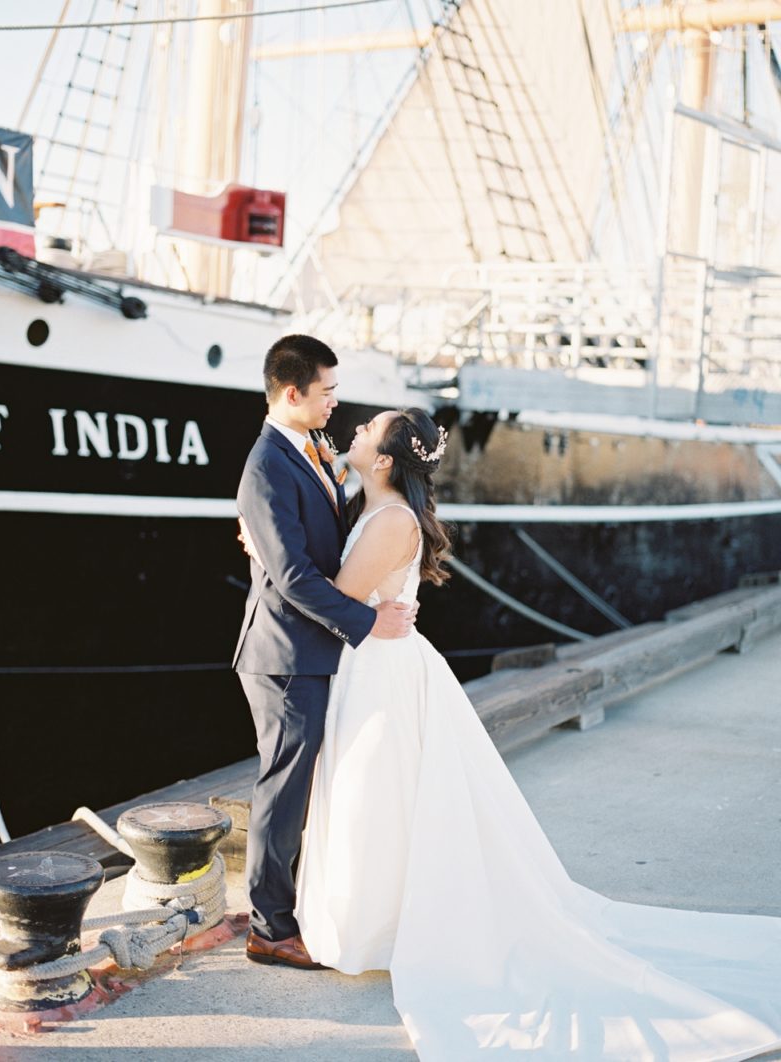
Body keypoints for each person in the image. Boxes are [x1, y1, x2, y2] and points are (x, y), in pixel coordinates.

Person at [295, 406, 781, 1061]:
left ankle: (382, 930)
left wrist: (275, 551)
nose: (349, 434)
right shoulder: (375, 509)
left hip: (381, 673)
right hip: (377, 665)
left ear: (382, 461)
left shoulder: (389, 522)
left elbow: (333, 596)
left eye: (362, 433)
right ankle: (375, 925)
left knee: (375, 796)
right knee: (381, 797)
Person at [233, 334, 415, 971]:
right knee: (283, 790)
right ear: (293, 393)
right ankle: (269, 929)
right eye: (328, 391)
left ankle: (294, 911)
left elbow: (322, 541)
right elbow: (294, 578)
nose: (337, 402)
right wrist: (368, 621)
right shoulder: (266, 465)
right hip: (284, 654)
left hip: (314, 648)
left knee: (304, 787)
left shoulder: (309, 449)